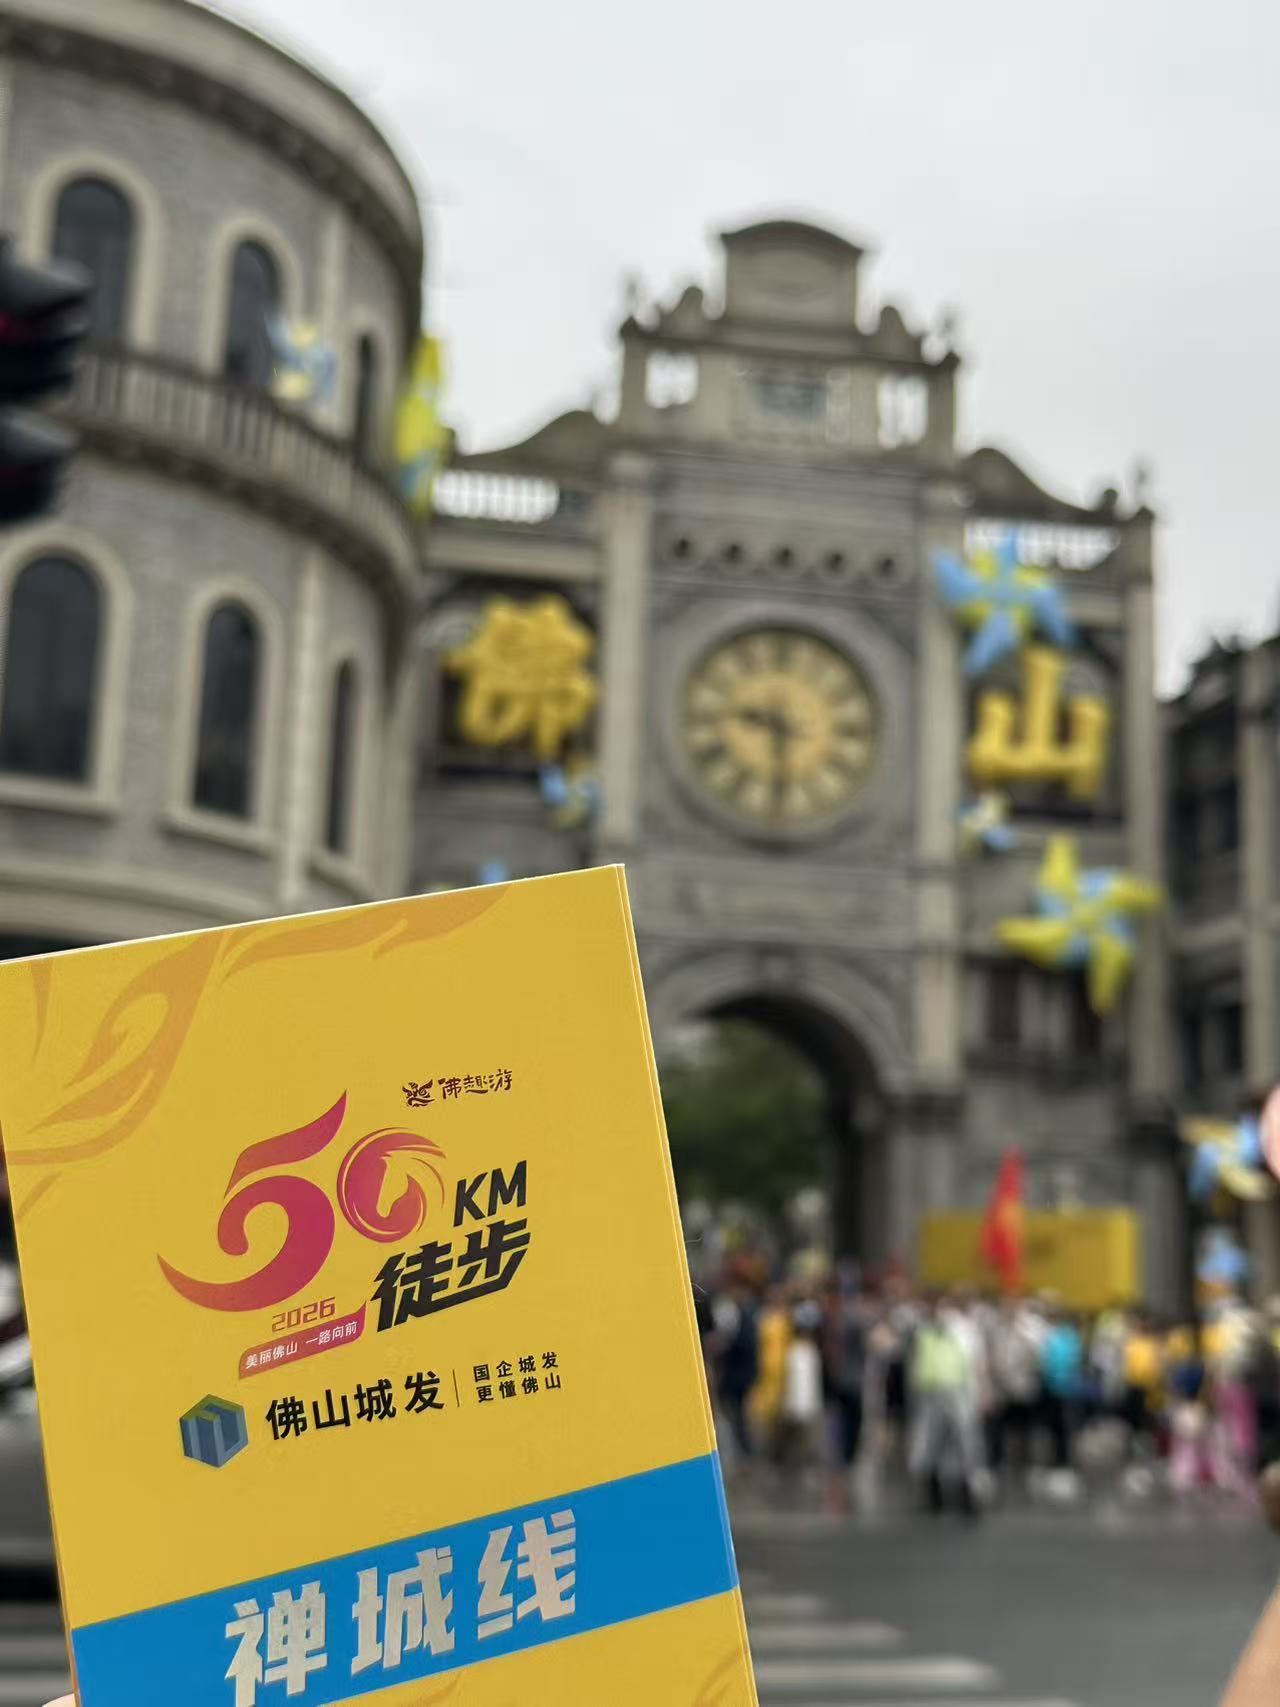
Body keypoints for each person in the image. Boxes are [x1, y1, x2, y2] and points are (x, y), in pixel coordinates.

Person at [908, 1291, 980, 1517]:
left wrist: (978, 1393)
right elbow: (916, 1366)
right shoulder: (923, 1333)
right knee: (932, 1445)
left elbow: (972, 1364)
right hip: (931, 1394)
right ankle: (935, 1496)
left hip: (957, 1393)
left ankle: (965, 1495)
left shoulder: (963, 1333)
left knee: (963, 1445)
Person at [823, 1273, 867, 1512]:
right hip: (847, 1380)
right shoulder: (846, 1318)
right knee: (848, 1422)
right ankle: (844, 1458)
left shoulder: (839, 1318)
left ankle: (843, 1457)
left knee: (846, 1421)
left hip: (845, 1378)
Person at [1039, 1301, 1083, 1474]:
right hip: (1055, 1387)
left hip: (1063, 1387)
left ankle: (1064, 1458)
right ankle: (1059, 1457)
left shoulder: (1064, 1336)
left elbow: (1069, 1360)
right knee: (1056, 1426)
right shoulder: (1057, 1335)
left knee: (1063, 1425)